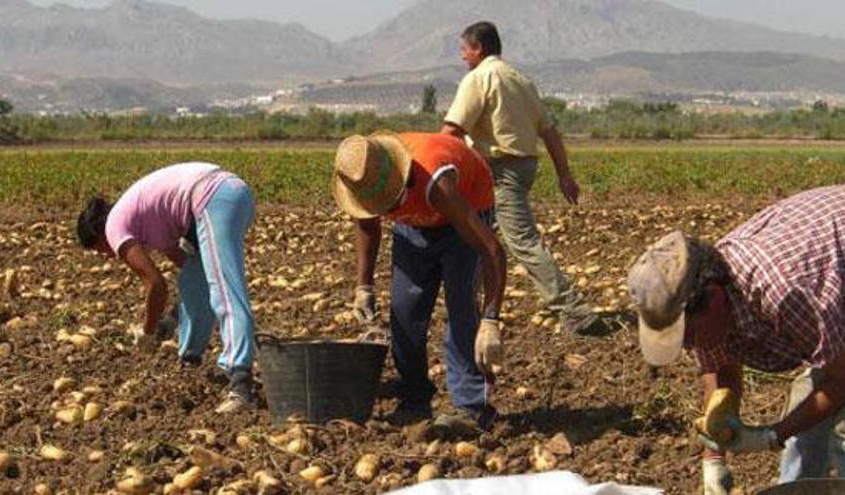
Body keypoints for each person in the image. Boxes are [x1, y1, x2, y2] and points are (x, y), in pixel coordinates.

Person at [627, 186, 845, 494]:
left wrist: (772, 434)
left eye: (687, 335)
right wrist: (713, 456)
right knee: (805, 429)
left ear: (714, 300)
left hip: (825, 271)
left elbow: (841, 379)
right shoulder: (707, 289)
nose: (689, 347)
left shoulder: (783, 292)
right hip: (830, 297)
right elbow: (720, 368)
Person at [333, 131, 506, 431]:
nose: (383, 210)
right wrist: (364, 286)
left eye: (387, 203)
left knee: (462, 307)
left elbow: (491, 249)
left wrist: (491, 319)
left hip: (466, 211)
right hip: (414, 223)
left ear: (401, 182)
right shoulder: (364, 177)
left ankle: (472, 409)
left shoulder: (438, 182)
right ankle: (415, 398)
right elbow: (367, 227)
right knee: (404, 310)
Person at [441, 21, 598, 334]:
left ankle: (574, 310)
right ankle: (474, 305)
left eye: (465, 50)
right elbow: (550, 133)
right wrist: (564, 175)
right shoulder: (520, 80)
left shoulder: (480, 78)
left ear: (479, 48)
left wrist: (431, 163)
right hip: (520, 166)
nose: (463, 57)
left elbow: (451, 131)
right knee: (473, 235)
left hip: (501, 170)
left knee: (522, 241)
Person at [77, 161, 258, 414]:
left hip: (212, 197)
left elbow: (155, 284)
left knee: (225, 291)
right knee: (195, 280)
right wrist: (171, 320)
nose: (109, 256)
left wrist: (148, 331)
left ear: (99, 235)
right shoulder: (144, 219)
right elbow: (190, 270)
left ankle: (241, 383)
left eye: (101, 251)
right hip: (232, 191)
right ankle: (189, 362)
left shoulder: (114, 226)